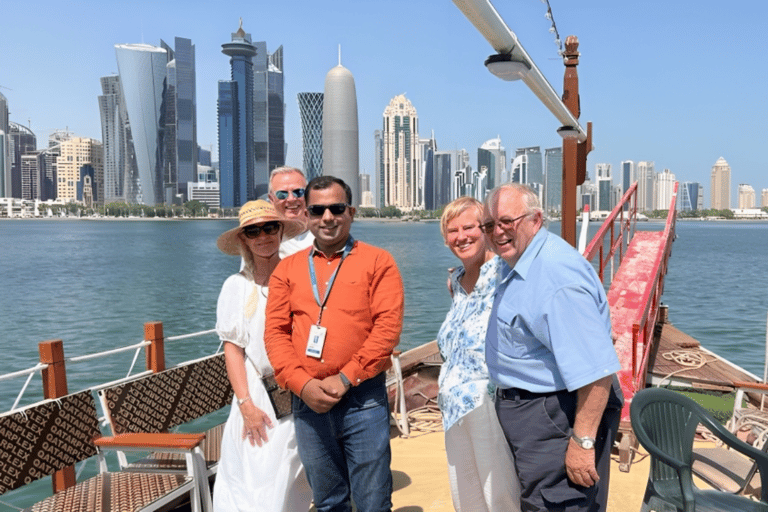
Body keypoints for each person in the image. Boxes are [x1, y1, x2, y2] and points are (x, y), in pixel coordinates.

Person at [265, 175, 404, 512]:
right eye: (318, 210)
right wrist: (302, 384)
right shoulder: (287, 269)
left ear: (351, 212)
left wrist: (345, 378)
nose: (327, 217)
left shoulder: (378, 261)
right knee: (328, 502)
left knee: (373, 500)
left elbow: (387, 329)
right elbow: (275, 333)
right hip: (308, 403)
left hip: (363, 400)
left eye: (336, 208)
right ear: (307, 216)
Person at [482, 183, 623, 512]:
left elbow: (596, 372)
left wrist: (582, 440)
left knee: (556, 504)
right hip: (533, 410)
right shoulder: (519, 260)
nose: (497, 231)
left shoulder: (555, 277)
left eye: (507, 221)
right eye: (490, 225)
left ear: (536, 219)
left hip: (553, 413)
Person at [213, 199, 312, 512]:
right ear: (244, 239)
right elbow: (233, 349)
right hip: (257, 394)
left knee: (293, 477)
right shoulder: (236, 287)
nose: (263, 236)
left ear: (281, 230)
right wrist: (246, 406)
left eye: (270, 227)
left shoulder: (300, 279)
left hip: (298, 389)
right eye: (254, 231)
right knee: (258, 478)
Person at [437, 197, 521, 512]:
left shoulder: (506, 272)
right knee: (467, 499)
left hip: (489, 403)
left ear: (485, 230)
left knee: (500, 497)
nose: (462, 236)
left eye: (469, 227)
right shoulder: (456, 282)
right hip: (454, 409)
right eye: (453, 230)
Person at [268, 166, 314, 257]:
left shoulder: (326, 235)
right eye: (282, 194)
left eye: (298, 192)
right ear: (271, 200)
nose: (291, 199)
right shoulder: (262, 241)